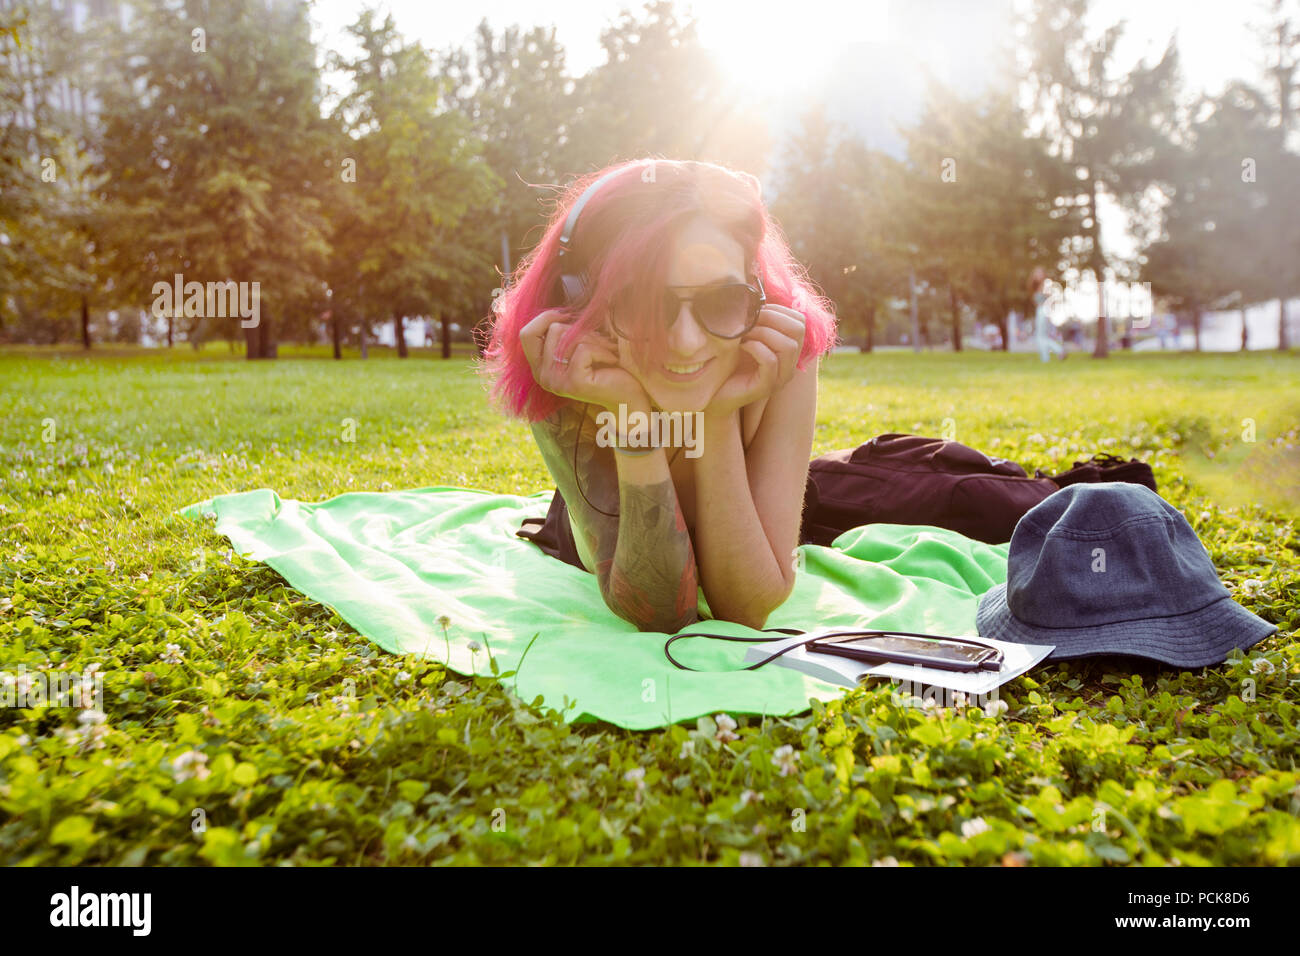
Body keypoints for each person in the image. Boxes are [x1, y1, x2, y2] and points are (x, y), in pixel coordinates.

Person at [482, 159, 837, 633]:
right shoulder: (565, 361)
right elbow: (660, 610)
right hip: (605, 527)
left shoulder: (776, 348)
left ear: (754, 288)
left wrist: (715, 416)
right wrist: (627, 409)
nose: (687, 342)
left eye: (723, 297)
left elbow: (747, 609)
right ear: (582, 298)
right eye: (643, 304)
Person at [1028, 268, 1066, 363]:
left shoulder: (1046, 284)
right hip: (1040, 311)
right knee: (1041, 337)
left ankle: (1058, 350)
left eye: (1039, 273)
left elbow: (1050, 300)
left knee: (1040, 337)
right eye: (1036, 273)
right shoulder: (1036, 287)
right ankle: (1046, 358)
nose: (1037, 275)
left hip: (1043, 311)